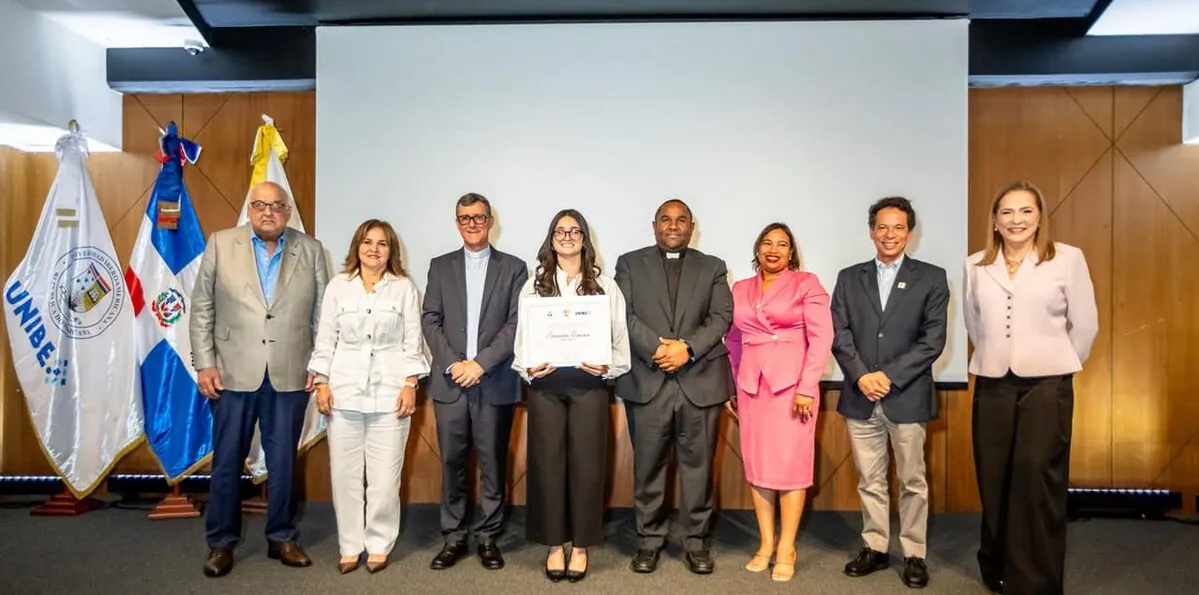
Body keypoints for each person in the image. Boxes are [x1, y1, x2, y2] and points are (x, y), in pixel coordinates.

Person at [963, 180, 1098, 595]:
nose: (1016, 220)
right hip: (993, 384)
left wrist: (1056, 361)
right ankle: (999, 567)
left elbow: (1086, 325)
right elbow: (974, 324)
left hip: (1047, 386)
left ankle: (1035, 582)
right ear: (995, 221)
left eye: (1025, 211)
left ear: (1040, 217)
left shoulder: (1067, 259)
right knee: (995, 480)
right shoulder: (975, 265)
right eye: (1007, 212)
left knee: (1036, 482)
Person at [191, 180, 329, 577]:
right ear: (249, 210)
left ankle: (281, 537)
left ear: (287, 211)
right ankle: (220, 543)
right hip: (231, 374)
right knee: (227, 461)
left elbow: (321, 314)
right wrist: (204, 363)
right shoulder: (220, 244)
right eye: (259, 205)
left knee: (284, 462)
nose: (268, 212)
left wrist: (319, 365)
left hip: (291, 374)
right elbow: (202, 308)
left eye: (276, 206)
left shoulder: (312, 250)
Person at [830, 197, 949, 589]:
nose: (889, 234)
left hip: (907, 395)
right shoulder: (849, 277)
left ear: (909, 232)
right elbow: (840, 334)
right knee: (870, 479)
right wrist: (863, 376)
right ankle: (875, 546)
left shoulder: (931, 277)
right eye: (882, 226)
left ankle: (914, 553)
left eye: (898, 227)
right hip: (860, 395)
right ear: (871, 231)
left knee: (913, 480)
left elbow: (932, 341)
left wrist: (888, 376)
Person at [614, 199, 734, 575]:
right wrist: (659, 349)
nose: (673, 225)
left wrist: (688, 349)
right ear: (654, 225)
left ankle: (696, 542)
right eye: (666, 219)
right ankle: (649, 540)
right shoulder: (629, 263)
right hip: (647, 381)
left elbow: (721, 316)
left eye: (681, 220)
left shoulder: (712, 267)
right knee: (648, 467)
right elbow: (622, 315)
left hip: (699, 381)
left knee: (698, 469)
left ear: (691, 227)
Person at [513, 209, 631, 583]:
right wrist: (527, 368)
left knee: (587, 465)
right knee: (547, 464)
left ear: (584, 238)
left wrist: (607, 367)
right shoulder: (533, 285)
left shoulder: (604, 285)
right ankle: (553, 543)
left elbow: (619, 344)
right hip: (546, 386)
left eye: (574, 230)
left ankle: (579, 545)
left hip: (588, 386)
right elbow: (521, 345)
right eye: (560, 231)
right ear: (550, 239)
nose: (567, 236)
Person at [308, 219, 430, 574]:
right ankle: (349, 544)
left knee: (384, 477)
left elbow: (412, 340)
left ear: (392, 250)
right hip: (342, 393)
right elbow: (325, 338)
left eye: (382, 244)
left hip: (391, 395)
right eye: (367, 242)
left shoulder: (404, 288)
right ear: (356, 247)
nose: (374, 249)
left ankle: (378, 543)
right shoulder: (337, 287)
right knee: (344, 475)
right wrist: (321, 383)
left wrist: (410, 384)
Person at [421, 192, 528, 571]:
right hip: (450, 382)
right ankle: (453, 536)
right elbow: (430, 319)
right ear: (457, 222)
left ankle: (487, 536)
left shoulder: (514, 268)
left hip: (493, 380)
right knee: (452, 462)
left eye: (479, 217)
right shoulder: (440, 266)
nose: (472, 224)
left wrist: (480, 364)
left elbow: (517, 323)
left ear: (490, 221)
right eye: (465, 218)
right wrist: (454, 364)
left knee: (492, 462)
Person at [725, 222, 833, 583]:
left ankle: (787, 546)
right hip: (752, 389)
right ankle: (766, 543)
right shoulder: (740, 288)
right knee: (757, 467)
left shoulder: (807, 283)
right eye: (767, 243)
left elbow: (821, 339)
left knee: (790, 468)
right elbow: (734, 341)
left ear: (791, 252)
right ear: (757, 249)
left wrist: (807, 385)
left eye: (782, 244)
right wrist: (736, 385)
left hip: (794, 389)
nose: (774, 249)